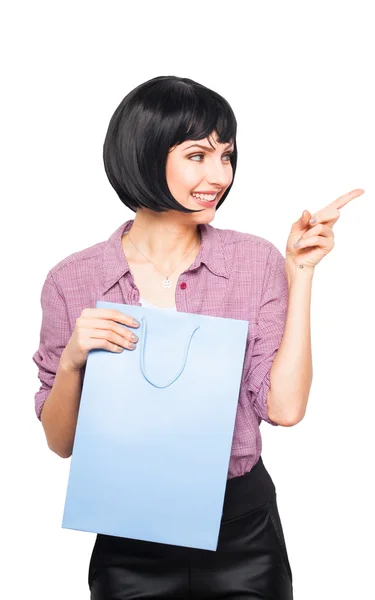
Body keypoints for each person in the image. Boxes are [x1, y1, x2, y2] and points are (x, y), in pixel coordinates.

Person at [32, 74, 363, 599]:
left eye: (226, 156)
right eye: (198, 156)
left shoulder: (254, 261)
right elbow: (61, 443)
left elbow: (285, 409)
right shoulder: (73, 280)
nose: (219, 175)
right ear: (143, 154)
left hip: (243, 533)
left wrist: (300, 275)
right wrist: (73, 360)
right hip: (129, 538)